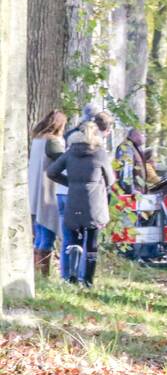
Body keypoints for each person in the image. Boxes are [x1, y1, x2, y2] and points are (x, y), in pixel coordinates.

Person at [46, 121, 115, 287]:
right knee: (91, 242)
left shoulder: (70, 152)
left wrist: (70, 182)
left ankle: (72, 278)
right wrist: (99, 184)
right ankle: (88, 281)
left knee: (74, 239)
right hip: (95, 202)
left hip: (74, 199)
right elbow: (110, 179)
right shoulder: (100, 153)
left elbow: (51, 172)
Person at [28, 110, 67, 280]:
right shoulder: (53, 142)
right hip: (47, 191)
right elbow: (63, 162)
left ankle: (36, 273)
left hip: (35, 190)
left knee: (39, 233)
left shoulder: (37, 139)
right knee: (47, 231)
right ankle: (42, 275)